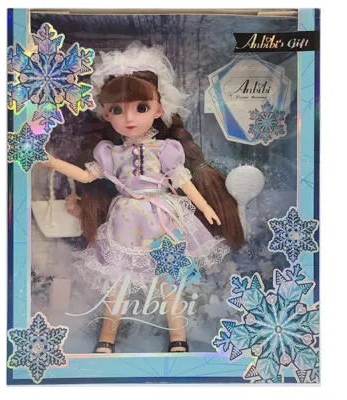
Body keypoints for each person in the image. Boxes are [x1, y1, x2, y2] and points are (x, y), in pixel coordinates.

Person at [41, 42, 244, 354]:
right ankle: (107, 338)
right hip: (125, 223)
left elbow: (182, 179)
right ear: (106, 113)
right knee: (119, 281)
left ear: (159, 109)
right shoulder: (110, 153)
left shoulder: (166, 150)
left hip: (163, 219)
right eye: (117, 110)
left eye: (141, 108)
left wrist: (204, 206)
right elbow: (85, 176)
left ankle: (178, 338)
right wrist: (53, 162)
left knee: (169, 280)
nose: (129, 118)